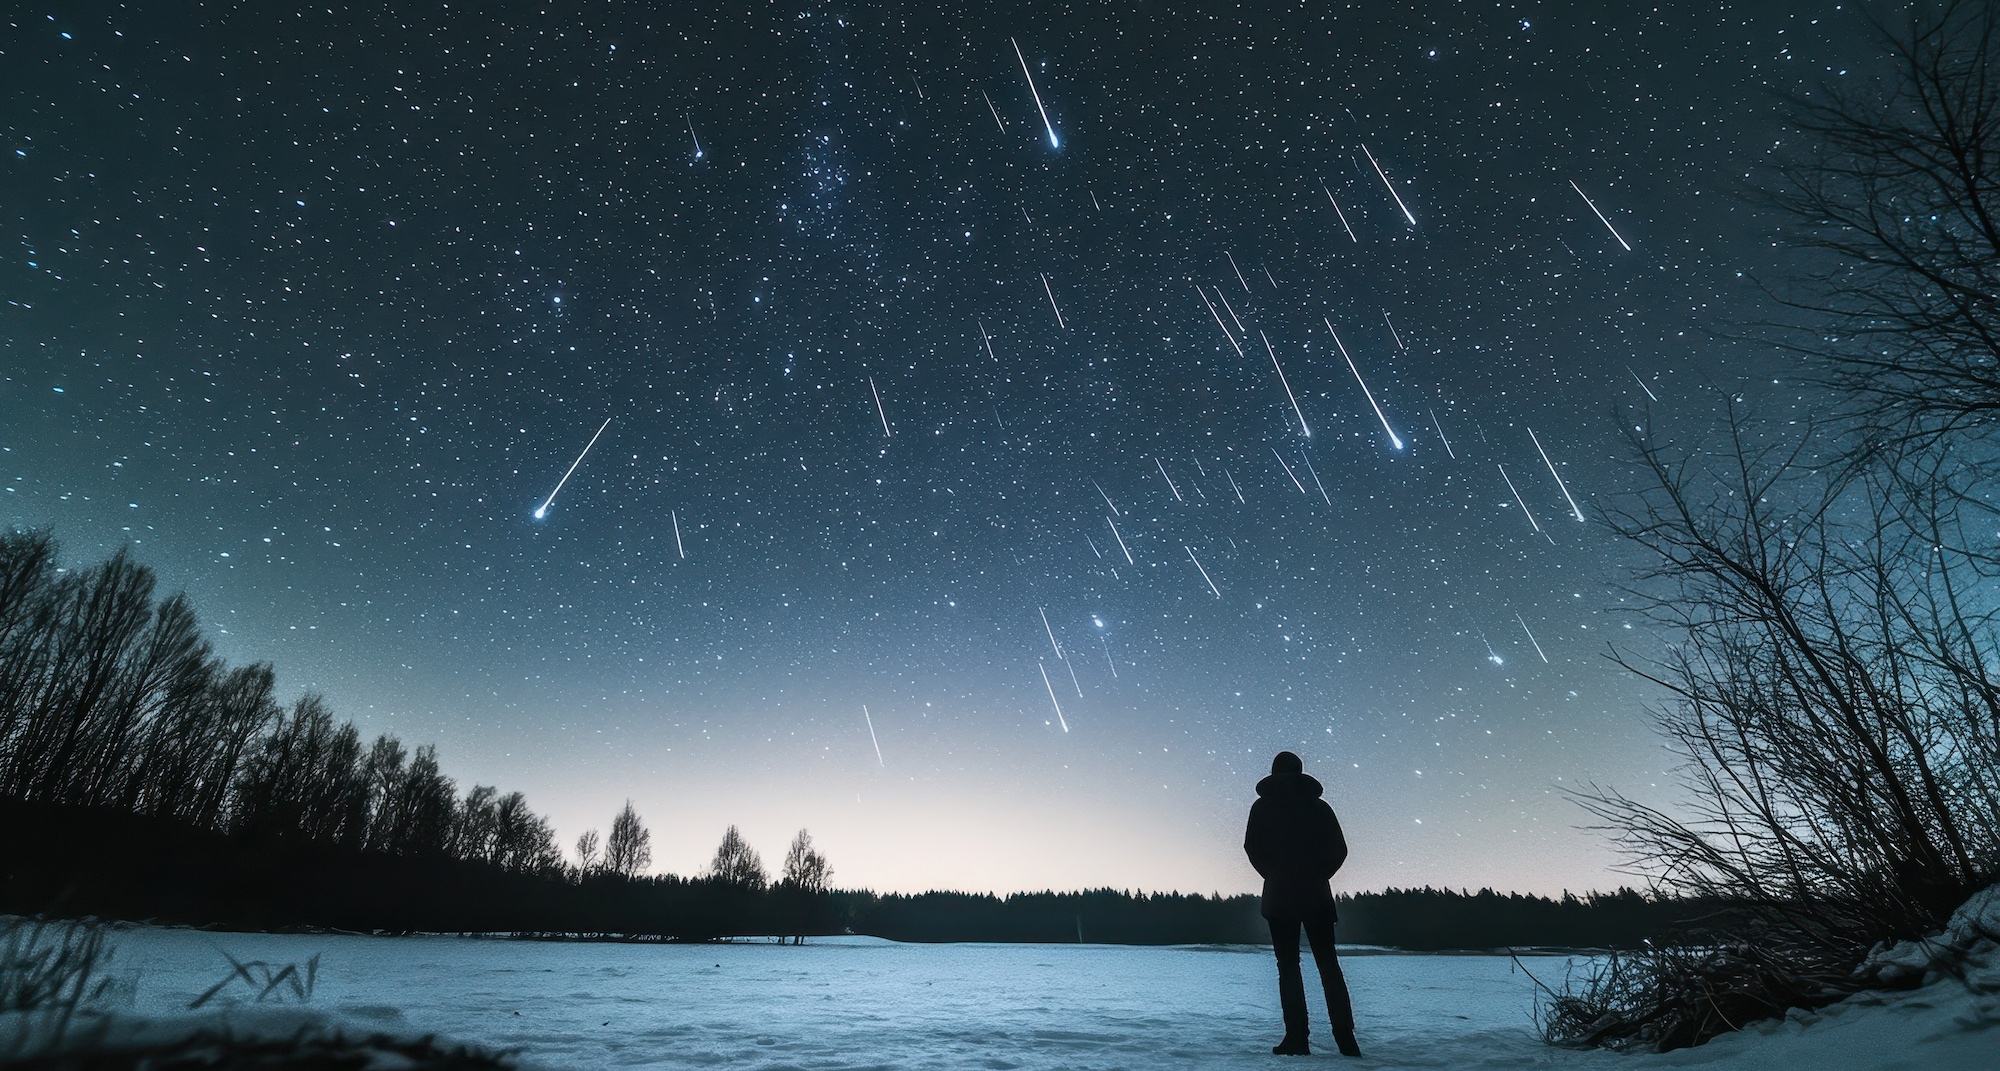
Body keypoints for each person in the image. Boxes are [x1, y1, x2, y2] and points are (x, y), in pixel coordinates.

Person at [1244, 751, 1359, 1057]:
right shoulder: (1319, 807)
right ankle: (1345, 1039)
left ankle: (1297, 1037)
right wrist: (1319, 876)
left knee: (1289, 967)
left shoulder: (1262, 807)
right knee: (1328, 965)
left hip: (1280, 895)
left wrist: (1274, 874)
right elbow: (1339, 849)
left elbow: (1252, 848)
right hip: (1315, 894)